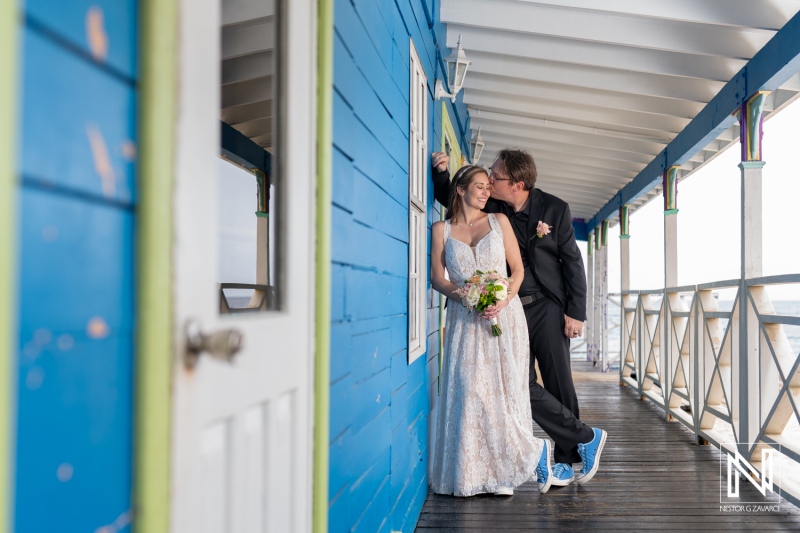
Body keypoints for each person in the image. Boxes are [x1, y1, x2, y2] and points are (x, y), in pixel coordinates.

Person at [431, 149, 607, 487]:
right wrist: (441, 173)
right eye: (488, 179)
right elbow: (457, 198)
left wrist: (576, 313)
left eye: (496, 178)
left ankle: (568, 459)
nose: (490, 182)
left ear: (518, 184)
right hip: (509, 309)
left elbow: (573, 263)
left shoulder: (555, 209)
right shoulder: (492, 207)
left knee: (558, 381)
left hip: (547, 306)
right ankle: (585, 438)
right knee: (519, 384)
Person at [429, 165, 554, 497]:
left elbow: (517, 270)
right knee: (471, 390)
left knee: (501, 391)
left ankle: (507, 470)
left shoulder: (500, 222)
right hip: (464, 318)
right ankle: (479, 471)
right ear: (460, 189)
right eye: (480, 186)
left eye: (488, 187)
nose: (486, 192)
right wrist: (468, 297)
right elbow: (437, 278)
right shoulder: (441, 228)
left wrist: (501, 300)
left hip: (503, 316)